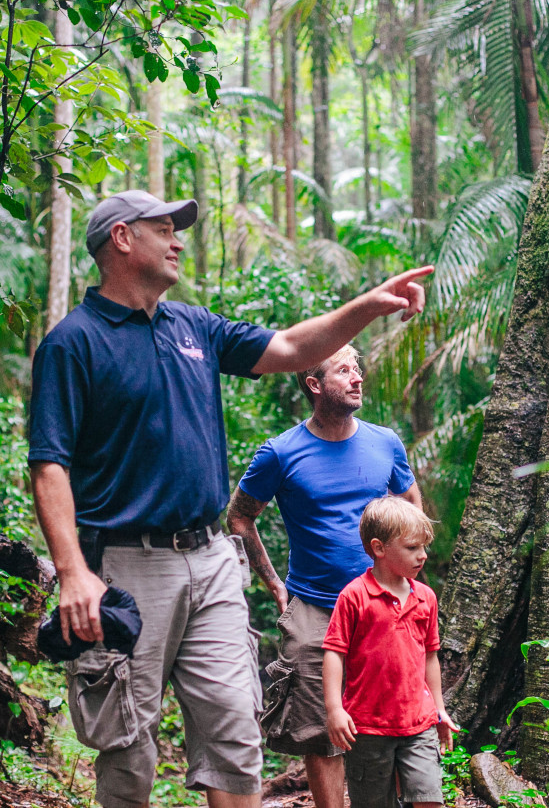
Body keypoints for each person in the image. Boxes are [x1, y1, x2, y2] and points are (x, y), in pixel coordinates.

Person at [28, 189, 433, 808]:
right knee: (129, 747)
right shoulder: (73, 343)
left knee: (235, 740)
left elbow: (293, 349)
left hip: (212, 557)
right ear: (121, 239)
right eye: (164, 229)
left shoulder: (194, 327)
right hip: (129, 566)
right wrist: (72, 573)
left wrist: (369, 307)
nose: (178, 240)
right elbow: (49, 464)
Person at [227, 344, 421, 808]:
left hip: (383, 607)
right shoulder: (280, 453)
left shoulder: (384, 442)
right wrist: (276, 586)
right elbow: (239, 517)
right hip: (315, 609)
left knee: (391, 722)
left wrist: (408, 575)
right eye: (343, 371)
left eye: (358, 369)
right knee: (319, 732)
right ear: (314, 385)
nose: (357, 378)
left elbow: (412, 506)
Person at [322, 496, 456, 808]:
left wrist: (439, 709)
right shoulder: (354, 596)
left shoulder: (426, 597)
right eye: (412, 548)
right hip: (367, 726)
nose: (422, 556)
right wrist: (334, 709)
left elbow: (430, 655)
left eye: (424, 547)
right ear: (379, 548)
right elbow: (334, 653)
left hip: (418, 722)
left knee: (429, 799)